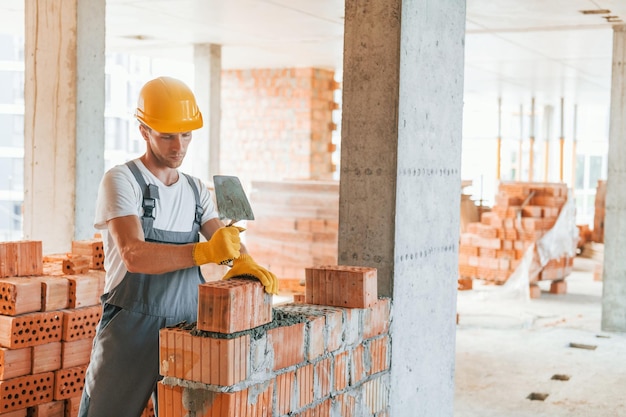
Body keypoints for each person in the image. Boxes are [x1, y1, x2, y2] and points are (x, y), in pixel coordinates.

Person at [78, 76, 278, 417]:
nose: (178, 147)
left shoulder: (197, 191)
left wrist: (244, 261)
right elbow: (134, 255)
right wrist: (204, 252)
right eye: (167, 135)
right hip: (130, 328)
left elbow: (221, 240)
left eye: (186, 135)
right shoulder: (122, 180)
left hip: (186, 327)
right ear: (144, 130)